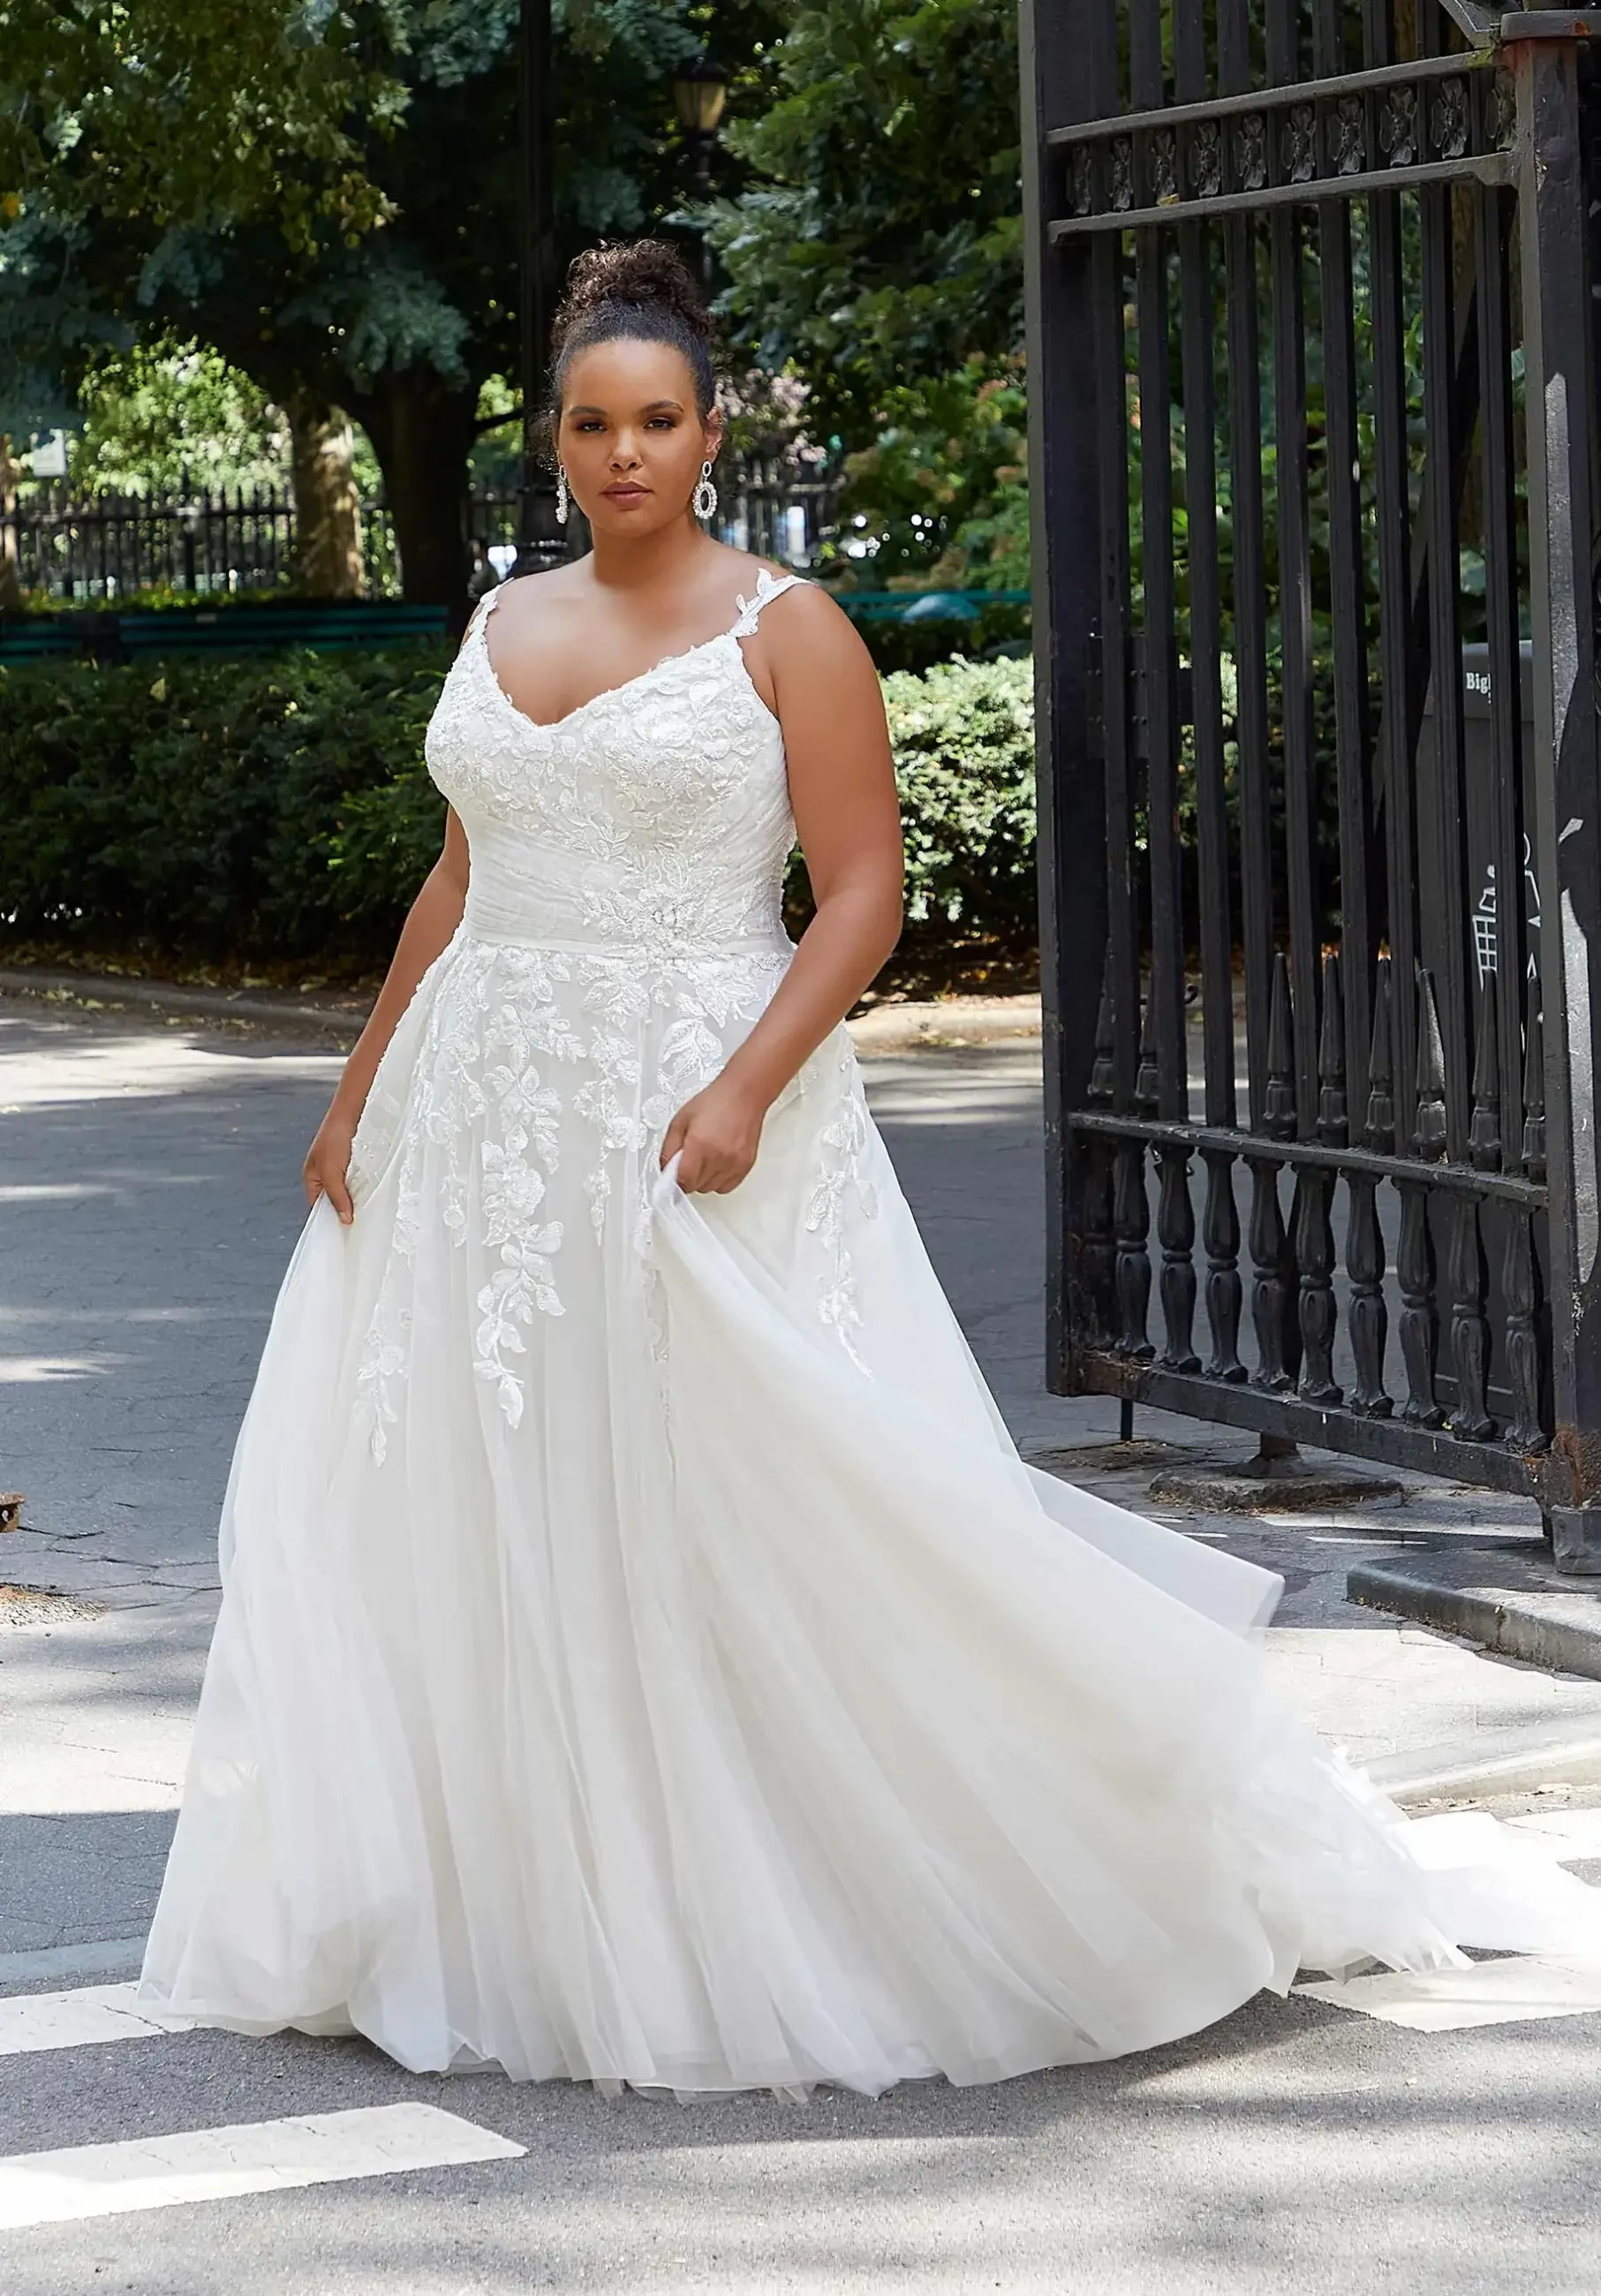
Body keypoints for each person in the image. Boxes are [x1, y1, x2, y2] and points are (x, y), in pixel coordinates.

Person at [138, 240, 1601, 2101]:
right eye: (589, 424)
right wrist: (359, 1089)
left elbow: (862, 896)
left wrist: (746, 1085)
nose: (622, 453)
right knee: (494, 1481)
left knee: (744, 1486)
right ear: (558, 439)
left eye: (656, 420)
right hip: (481, 1117)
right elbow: (459, 875)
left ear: (709, 431)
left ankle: (817, 1874)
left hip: (696, 1096)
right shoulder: (499, 618)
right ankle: (517, 1896)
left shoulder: (788, 627)